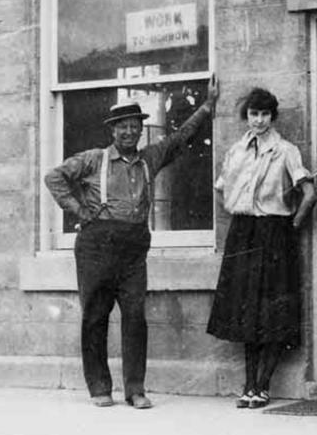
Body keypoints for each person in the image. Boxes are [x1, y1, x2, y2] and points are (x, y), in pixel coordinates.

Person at [44, 75, 220, 410]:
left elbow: (181, 137)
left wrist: (208, 107)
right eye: (122, 127)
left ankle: (135, 389)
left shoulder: (149, 159)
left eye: (134, 127)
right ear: (113, 130)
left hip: (133, 247)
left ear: (141, 130)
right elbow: (54, 177)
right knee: (95, 316)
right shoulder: (94, 159)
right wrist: (78, 210)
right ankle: (99, 387)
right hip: (96, 244)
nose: (129, 132)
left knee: (135, 317)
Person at [206, 87, 317, 410]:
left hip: (274, 233)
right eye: (254, 114)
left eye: (265, 114)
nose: (259, 120)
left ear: (273, 116)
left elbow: (308, 194)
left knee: (271, 313)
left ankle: (263, 386)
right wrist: (237, 212)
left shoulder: (286, 151)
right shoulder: (236, 151)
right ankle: (249, 385)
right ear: (247, 116)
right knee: (246, 311)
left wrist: (291, 225)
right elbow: (221, 190)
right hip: (243, 233)